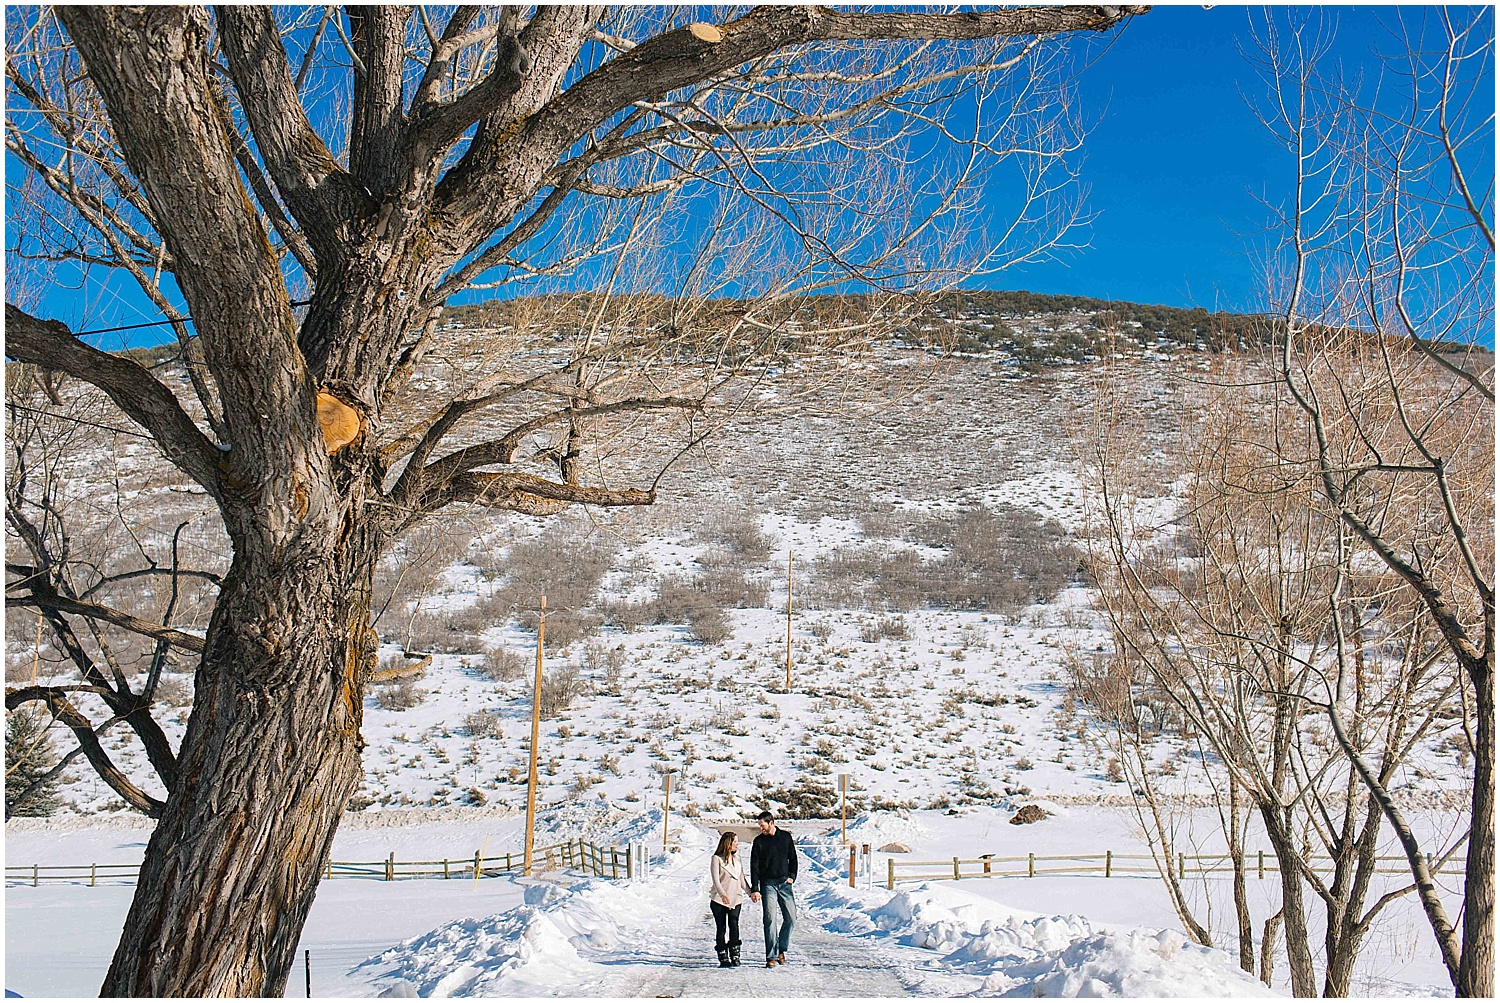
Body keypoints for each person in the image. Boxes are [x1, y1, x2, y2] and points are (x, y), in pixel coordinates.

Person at [749, 809, 797, 967]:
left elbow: (793, 858)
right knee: (770, 919)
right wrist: (755, 888)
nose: (761, 828)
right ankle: (771, 956)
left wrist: (792, 876)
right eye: (759, 826)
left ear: (771, 823)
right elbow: (754, 866)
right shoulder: (758, 842)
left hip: (784, 883)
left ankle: (781, 948)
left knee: (791, 918)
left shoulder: (785, 837)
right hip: (767, 884)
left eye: (763, 825)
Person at [709, 830, 752, 967]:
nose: (737, 845)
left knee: (734, 924)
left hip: (736, 898)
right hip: (720, 899)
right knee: (721, 927)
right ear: (728, 843)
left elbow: (741, 879)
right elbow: (716, 879)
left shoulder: (737, 859)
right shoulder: (717, 859)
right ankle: (723, 955)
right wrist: (722, 894)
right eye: (735, 842)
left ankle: (735, 953)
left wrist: (750, 893)